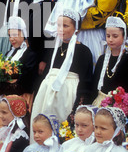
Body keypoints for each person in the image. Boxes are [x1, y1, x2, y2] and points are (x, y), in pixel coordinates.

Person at [31, 9, 94, 140]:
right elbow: (46, 73)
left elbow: (85, 81)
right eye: (59, 25)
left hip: (67, 95)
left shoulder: (83, 51)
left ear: (76, 28)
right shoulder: (53, 48)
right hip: (47, 94)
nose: (61, 29)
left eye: (65, 26)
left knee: (62, 131)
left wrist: (77, 106)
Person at [0, 16, 38, 152]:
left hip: (18, 99)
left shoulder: (30, 54)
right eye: (9, 36)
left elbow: (27, 84)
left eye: (15, 35)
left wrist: (1, 88)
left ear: (23, 34)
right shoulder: (9, 53)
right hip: (1, 100)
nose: (12, 39)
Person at [91, 16, 128, 106]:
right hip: (99, 103)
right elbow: (94, 85)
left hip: (119, 106)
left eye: (115, 36)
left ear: (124, 37)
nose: (110, 39)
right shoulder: (102, 59)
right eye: (108, 36)